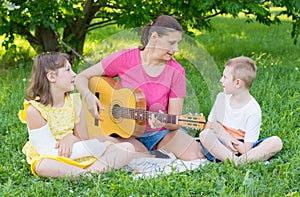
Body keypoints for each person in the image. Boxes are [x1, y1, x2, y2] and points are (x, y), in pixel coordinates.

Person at [75, 15, 205, 161]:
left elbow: (173, 122)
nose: (176, 49)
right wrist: (88, 95)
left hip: (161, 134)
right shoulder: (125, 58)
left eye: (178, 44)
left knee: (194, 155)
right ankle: (149, 155)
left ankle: (147, 155)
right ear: (154, 36)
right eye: (171, 43)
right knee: (104, 146)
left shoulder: (176, 71)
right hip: (124, 135)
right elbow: (81, 77)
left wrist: (163, 122)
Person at [19, 52, 143, 178]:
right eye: (68, 70)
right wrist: (97, 146)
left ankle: (85, 174)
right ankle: (90, 172)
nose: (74, 75)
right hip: (55, 159)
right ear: (51, 77)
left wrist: (70, 139)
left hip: (77, 152)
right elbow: (47, 151)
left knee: (127, 148)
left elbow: (83, 139)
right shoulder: (34, 110)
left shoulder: (76, 102)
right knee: (42, 166)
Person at [199, 56, 283, 164]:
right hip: (220, 145)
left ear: (238, 83)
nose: (221, 80)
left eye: (225, 77)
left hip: (243, 148)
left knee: (276, 142)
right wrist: (226, 138)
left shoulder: (253, 110)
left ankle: (236, 162)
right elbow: (208, 127)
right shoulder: (221, 98)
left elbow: (246, 150)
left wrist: (230, 140)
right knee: (204, 135)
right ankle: (239, 162)